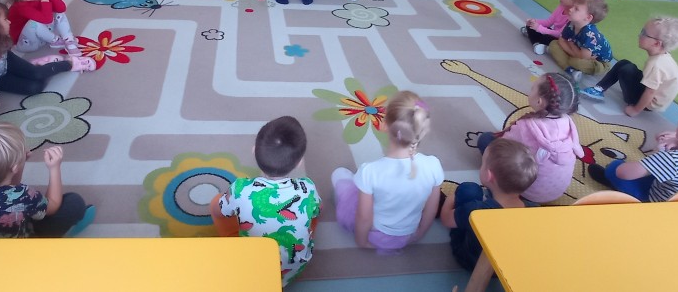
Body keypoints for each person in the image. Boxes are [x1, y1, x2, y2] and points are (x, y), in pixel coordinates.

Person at [210, 116, 321, 286]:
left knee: (217, 203)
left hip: (250, 264)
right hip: (294, 267)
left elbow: (219, 210)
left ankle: (228, 237)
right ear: (299, 163)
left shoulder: (240, 189)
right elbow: (318, 210)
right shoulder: (308, 187)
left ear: (254, 150)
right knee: (314, 211)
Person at [330, 91, 444, 253]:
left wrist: (362, 242)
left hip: (375, 236)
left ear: (384, 125)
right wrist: (419, 234)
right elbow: (431, 209)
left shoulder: (370, 171)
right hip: (408, 236)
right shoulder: (434, 165)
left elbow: (364, 217)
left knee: (339, 174)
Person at [0, 123, 96, 238]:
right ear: (14, 168)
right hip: (21, 250)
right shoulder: (24, 195)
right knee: (74, 201)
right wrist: (54, 168)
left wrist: (18, 162)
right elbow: (53, 206)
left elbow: (8, 185)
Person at [0, 0, 95, 98]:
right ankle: (40, 64)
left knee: (37, 74)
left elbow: (6, 52)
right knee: (35, 87)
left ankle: (70, 63)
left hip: (5, 61)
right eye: (5, 19)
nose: (9, 22)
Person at [471, 73, 581, 203]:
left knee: (486, 140)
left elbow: (501, 147)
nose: (530, 89)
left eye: (532, 88)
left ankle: (497, 198)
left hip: (523, 190)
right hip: (555, 192)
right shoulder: (568, 122)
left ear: (539, 101)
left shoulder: (526, 127)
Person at [439, 139, 538, 271]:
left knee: (469, 189)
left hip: (470, 260)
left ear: (489, 175)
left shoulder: (476, 211)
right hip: (504, 267)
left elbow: (446, 219)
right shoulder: (535, 210)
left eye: (483, 163)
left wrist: (451, 198)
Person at [581, 17, 678, 117]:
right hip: (655, 96)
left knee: (626, 70)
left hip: (648, 104)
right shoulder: (663, 57)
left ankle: (605, 90)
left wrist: (635, 110)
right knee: (624, 63)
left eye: (644, 33)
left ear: (657, 44)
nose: (639, 35)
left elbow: (650, 92)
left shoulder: (656, 64)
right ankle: (599, 88)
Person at [0, 0, 81, 54]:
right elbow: (47, 20)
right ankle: (55, 40)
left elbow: (61, 8)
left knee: (59, 13)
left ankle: (68, 40)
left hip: (40, 38)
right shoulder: (20, 7)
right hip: (25, 44)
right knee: (34, 23)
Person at [547, 0, 613, 83]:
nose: (571, 9)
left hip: (599, 62)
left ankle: (568, 63)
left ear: (588, 17)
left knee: (577, 62)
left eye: (576, 9)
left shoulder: (590, 34)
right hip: (580, 53)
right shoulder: (571, 23)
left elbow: (584, 57)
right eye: (573, 6)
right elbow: (561, 40)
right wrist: (572, 49)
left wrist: (570, 45)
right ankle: (570, 69)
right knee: (554, 44)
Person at [523, 0, 589, 55]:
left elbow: (560, 34)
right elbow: (548, 22)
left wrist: (539, 28)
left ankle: (538, 42)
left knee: (546, 38)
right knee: (530, 26)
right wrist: (535, 22)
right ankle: (536, 43)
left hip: (562, 39)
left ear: (575, 1)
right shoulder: (561, 7)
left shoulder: (573, 17)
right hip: (554, 33)